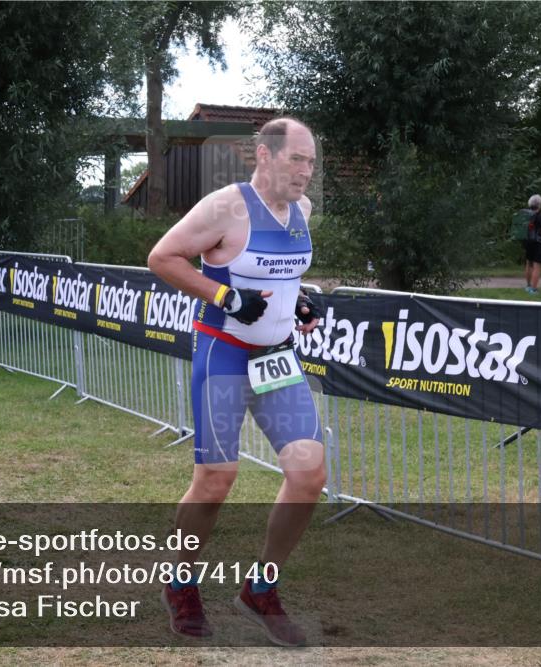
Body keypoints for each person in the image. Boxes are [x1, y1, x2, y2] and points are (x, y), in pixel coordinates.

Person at [147, 118, 325, 647]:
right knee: (216, 480)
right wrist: (224, 298)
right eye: (297, 159)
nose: (306, 172)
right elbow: (162, 258)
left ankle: (260, 589)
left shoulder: (303, 212)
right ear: (264, 156)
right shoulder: (226, 205)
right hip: (224, 355)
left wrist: (303, 304)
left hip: (276, 360)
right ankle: (181, 584)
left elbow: (284, 278)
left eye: (311, 161)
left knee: (308, 474)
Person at [522, 194, 541, 294]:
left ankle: (528, 286)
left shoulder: (526, 214)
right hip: (538, 243)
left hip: (528, 242)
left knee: (529, 264)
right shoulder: (539, 216)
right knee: (537, 266)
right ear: (539, 204)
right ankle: (533, 289)